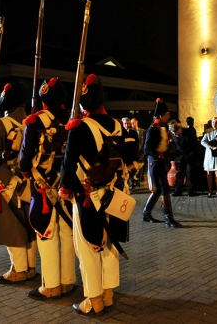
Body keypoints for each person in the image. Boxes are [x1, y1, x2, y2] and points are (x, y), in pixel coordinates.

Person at [58, 74, 135, 315]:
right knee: (110, 243)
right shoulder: (117, 125)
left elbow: (68, 165)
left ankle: (94, 299)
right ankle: (109, 294)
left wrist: (65, 189)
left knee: (88, 248)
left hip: (88, 197)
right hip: (114, 193)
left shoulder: (79, 127)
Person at [19, 77, 76, 300]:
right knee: (67, 232)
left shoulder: (35, 121)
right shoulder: (73, 119)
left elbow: (25, 158)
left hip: (41, 183)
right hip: (68, 183)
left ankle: (51, 285)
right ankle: (68, 281)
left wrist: (26, 171)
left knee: (46, 232)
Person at [0, 82, 38, 285]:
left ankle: (19, 270)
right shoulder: (33, 121)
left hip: (6, 182)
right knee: (29, 224)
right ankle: (30, 267)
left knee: (12, 226)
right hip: (31, 181)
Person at [142, 98, 182, 227]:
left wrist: (172, 152)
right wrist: (162, 154)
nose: (169, 116)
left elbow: (163, 147)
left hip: (161, 161)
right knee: (163, 188)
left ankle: (146, 213)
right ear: (160, 115)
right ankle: (168, 218)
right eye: (167, 114)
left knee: (159, 189)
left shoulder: (162, 128)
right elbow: (147, 149)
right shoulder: (152, 129)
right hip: (155, 162)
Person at [168, 119, 199, 197]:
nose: (175, 135)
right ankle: (178, 190)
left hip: (190, 155)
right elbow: (175, 145)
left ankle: (190, 190)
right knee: (179, 174)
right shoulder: (172, 134)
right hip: (180, 156)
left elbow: (195, 145)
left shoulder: (188, 132)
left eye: (176, 133)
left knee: (189, 173)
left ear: (180, 129)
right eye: (173, 133)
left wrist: (192, 155)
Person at [122, 117, 140, 190]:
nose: (126, 125)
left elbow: (136, 143)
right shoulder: (121, 133)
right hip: (123, 155)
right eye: (125, 123)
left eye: (128, 123)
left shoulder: (133, 133)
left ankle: (132, 185)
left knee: (132, 170)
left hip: (132, 155)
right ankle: (125, 184)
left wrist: (136, 153)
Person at [131, 118, 146, 187]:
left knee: (140, 167)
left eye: (134, 122)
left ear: (137, 123)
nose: (132, 124)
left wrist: (143, 151)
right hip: (133, 152)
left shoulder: (142, 131)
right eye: (131, 123)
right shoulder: (130, 132)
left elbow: (144, 142)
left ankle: (139, 181)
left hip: (141, 152)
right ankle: (133, 181)